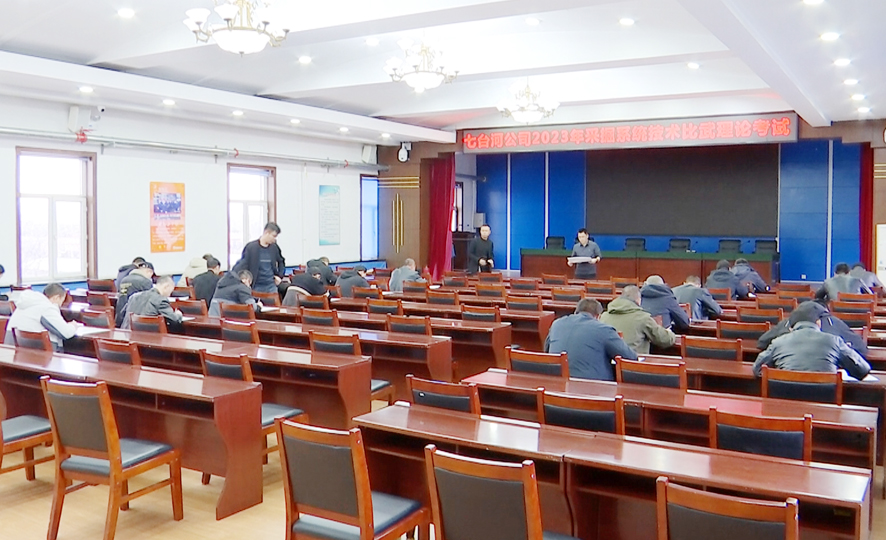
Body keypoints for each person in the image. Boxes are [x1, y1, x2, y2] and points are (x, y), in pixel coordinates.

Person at [753, 304, 871, 381]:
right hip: (826, 405)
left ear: (790, 328)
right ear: (818, 323)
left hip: (786, 405)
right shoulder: (835, 341)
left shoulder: (777, 342)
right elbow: (863, 369)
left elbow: (757, 369)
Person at [545, 298, 637, 381]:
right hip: (592, 388)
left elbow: (547, 351)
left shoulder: (556, 324)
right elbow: (630, 358)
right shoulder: (603, 329)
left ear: (575, 312)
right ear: (598, 316)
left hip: (557, 384)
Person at [757, 300, 868, 359]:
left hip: (786, 381)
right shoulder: (834, 322)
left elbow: (762, 342)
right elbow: (862, 348)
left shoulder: (789, 321)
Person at [600, 285, 676, 354]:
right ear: (638, 300)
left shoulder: (604, 316)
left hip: (609, 361)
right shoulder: (643, 317)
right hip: (634, 362)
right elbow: (665, 340)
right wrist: (670, 333)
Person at [4, 283, 80, 351]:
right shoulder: (47, 308)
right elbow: (66, 333)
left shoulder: (24, 305)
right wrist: (73, 325)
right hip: (38, 357)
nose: (60, 305)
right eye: (61, 301)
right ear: (56, 298)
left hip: (14, 352)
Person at [241, 222, 286, 293]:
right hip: (255, 285)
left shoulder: (274, 248)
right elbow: (243, 265)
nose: (275, 239)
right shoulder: (251, 247)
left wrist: (280, 276)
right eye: (273, 236)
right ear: (266, 233)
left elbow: (281, 261)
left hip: (271, 285)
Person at [114, 262, 155, 327]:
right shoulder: (145, 282)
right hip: (135, 320)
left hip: (121, 317)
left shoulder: (124, 280)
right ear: (150, 272)